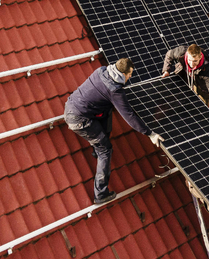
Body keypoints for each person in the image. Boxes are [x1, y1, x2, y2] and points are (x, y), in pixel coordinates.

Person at [64, 58, 163, 204]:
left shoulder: (101, 70)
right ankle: (100, 194)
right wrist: (150, 133)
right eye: (129, 74)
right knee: (105, 150)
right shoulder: (115, 90)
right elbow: (128, 116)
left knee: (107, 110)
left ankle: (95, 148)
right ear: (123, 73)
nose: (130, 77)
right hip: (80, 120)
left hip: (71, 105)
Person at [161, 44, 209, 129]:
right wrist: (166, 70)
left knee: (202, 103)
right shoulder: (181, 52)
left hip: (200, 82)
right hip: (184, 74)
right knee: (176, 96)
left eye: (195, 61)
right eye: (189, 60)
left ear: (200, 57)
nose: (191, 64)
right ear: (187, 55)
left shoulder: (207, 69)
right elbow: (169, 54)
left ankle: (197, 124)